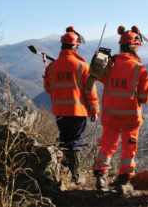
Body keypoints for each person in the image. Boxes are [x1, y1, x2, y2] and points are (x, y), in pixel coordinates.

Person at [93, 25, 148, 192]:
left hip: (110, 115)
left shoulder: (110, 64)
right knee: (129, 146)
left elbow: (98, 76)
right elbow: (145, 98)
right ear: (135, 46)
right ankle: (125, 181)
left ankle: (101, 175)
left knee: (107, 145)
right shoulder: (140, 69)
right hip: (131, 117)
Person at [43, 26, 100, 184]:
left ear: (62, 46)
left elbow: (48, 88)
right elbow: (90, 91)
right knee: (75, 143)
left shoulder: (52, 67)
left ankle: (59, 174)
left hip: (60, 111)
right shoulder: (82, 66)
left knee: (64, 140)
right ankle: (76, 177)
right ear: (76, 46)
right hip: (77, 112)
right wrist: (94, 110)